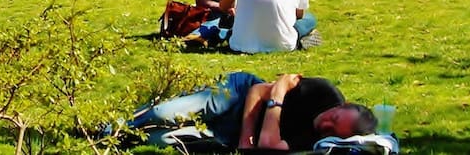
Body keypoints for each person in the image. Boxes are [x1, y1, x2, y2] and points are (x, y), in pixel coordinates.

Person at [122, 71, 377, 151]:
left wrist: (277, 98)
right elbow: (257, 91)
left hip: (226, 135)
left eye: (333, 131)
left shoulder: (321, 141)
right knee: (164, 115)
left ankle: (116, 138)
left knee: (164, 140)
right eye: (333, 118)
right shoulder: (323, 92)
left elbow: (267, 144)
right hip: (238, 95)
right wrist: (276, 97)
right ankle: (108, 127)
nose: (326, 124)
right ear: (340, 106)